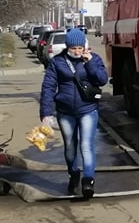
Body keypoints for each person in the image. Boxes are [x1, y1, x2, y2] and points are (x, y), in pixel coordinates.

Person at [39, 27, 109, 199]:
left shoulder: (93, 59)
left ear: (84, 46)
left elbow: (102, 79)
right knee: (70, 148)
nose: (77, 52)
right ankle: (73, 173)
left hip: (88, 110)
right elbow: (48, 87)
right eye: (73, 48)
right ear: (68, 47)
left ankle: (88, 181)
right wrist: (46, 113)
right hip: (65, 112)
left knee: (86, 146)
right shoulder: (57, 62)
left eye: (80, 48)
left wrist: (90, 62)